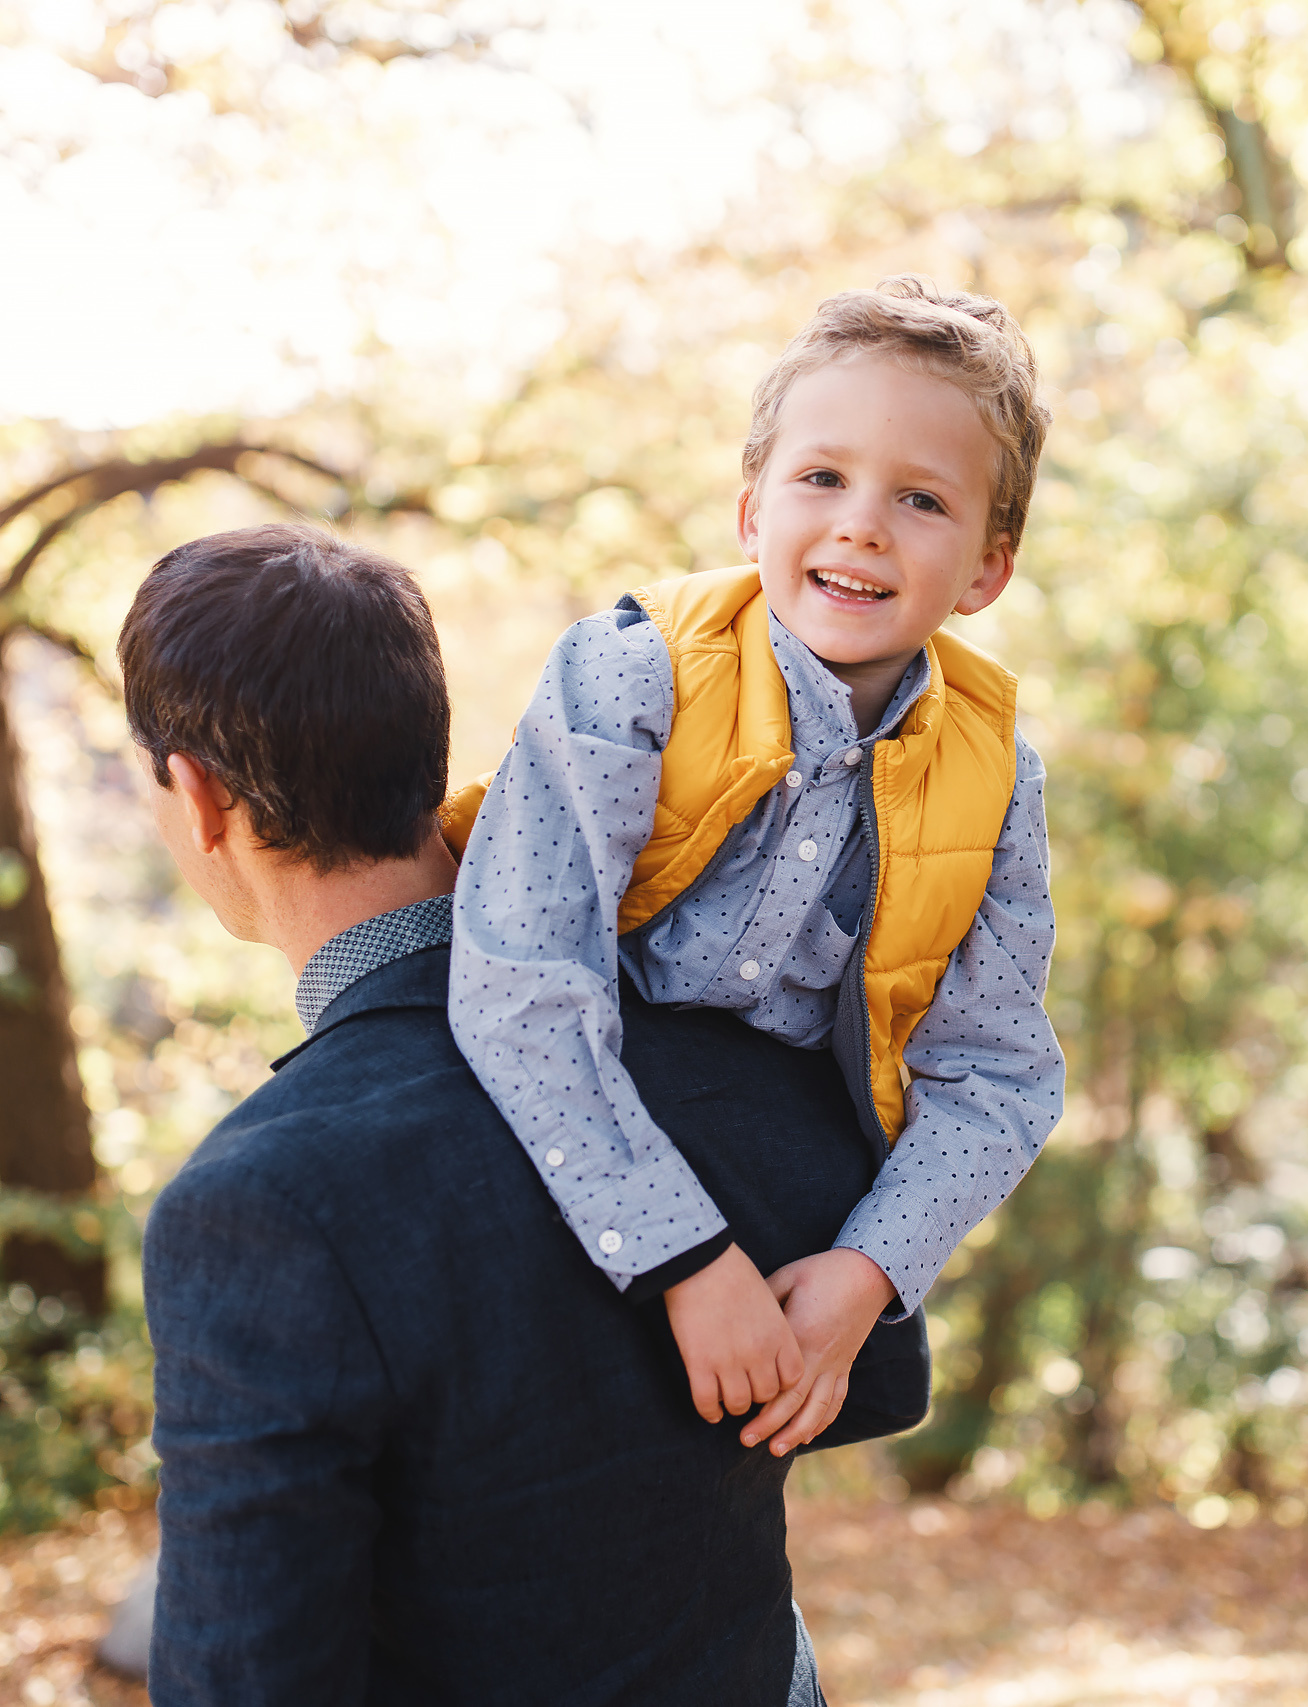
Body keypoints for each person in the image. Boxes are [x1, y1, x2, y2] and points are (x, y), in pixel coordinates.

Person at [127, 524, 926, 1705]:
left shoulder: (260, 1205)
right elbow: (880, 1374)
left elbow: (249, 1680)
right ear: (421, 748)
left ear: (199, 798)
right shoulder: (705, 1038)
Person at [444, 275, 1063, 1457]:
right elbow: (525, 975)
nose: (859, 525)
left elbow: (997, 1074)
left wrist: (867, 1276)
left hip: (772, 1159)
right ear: (749, 512)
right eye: (820, 478)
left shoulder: (992, 774)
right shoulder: (635, 673)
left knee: (755, 1453)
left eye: (919, 499)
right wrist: (683, 1256)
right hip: (570, 1112)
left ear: (987, 569)